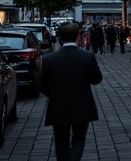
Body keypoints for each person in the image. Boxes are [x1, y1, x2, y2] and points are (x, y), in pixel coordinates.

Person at [41, 21, 103, 161]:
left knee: (61, 142)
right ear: (78, 37)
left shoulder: (49, 59)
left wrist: (55, 94)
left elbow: (43, 86)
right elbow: (97, 79)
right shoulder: (87, 57)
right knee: (79, 139)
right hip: (82, 105)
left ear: (60, 39)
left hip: (58, 106)